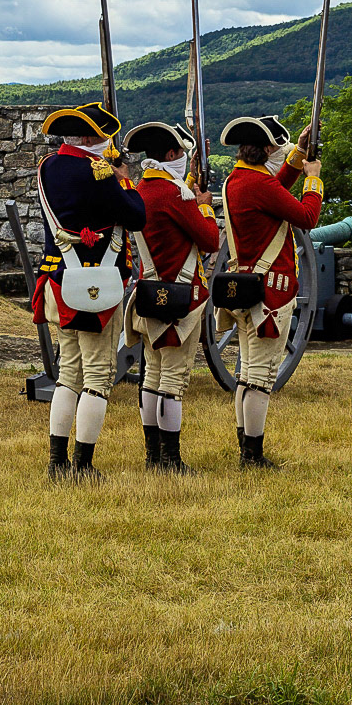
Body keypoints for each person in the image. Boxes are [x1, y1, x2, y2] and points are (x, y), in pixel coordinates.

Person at [32, 102, 146, 480]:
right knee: (97, 377)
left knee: (69, 374)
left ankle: (56, 462)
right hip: (96, 285)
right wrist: (124, 179)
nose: (107, 143)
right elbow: (136, 216)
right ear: (87, 138)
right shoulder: (97, 172)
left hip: (58, 281)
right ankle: (82, 465)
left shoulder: (47, 166)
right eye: (102, 136)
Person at [218, 116, 323, 468]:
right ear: (264, 149)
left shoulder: (239, 179)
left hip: (247, 286)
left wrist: (298, 153)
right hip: (270, 292)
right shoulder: (258, 184)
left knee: (248, 374)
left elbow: (275, 188)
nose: (279, 153)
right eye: (276, 148)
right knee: (261, 377)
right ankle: (252, 455)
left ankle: (246, 448)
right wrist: (313, 178)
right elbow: (306, 216)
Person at [123, 121, 220, 473]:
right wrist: (205, 205)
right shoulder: (173, 194)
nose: (182, 160)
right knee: (173, 380)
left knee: (153, 376)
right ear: (170, 155)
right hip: (181, 298)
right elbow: (210, 240)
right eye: (181, 154)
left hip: (149, 293)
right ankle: (171, 459)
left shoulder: (143, 188)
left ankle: (153, 455)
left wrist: (192, 183)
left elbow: (177, 202)